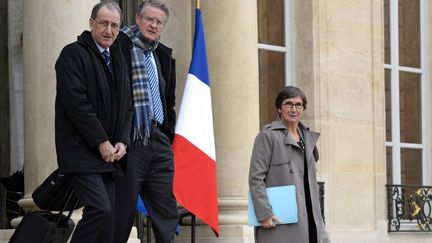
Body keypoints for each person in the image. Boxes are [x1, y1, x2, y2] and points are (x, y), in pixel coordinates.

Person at [54, 2, 132, 243]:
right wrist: (101, 141)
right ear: (91, 24)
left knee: (107, 227)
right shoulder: (72, 54)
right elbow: (77, 105)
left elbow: (127, 105)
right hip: (80, 152)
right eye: (103, 23)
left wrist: (122, 140)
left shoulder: (118, 57)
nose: (109, 30)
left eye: (114, 26)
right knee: (100, 209)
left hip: (109, 157)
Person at [114, 1, 178, 243]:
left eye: (158, 22)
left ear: (163, 27)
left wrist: (167, 132)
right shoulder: (119, 47)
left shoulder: (162, 55)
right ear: (138, 19)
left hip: (159, 139)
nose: (153, 25)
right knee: (122, 210)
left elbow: (168, 100)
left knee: (166, 210)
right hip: (131, 139)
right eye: (149, 19)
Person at [248, 86, 331, 243]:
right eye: (288, 104)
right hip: (279, 223)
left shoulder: (308, 138)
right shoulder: (267, 136)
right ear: (279, 108)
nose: (294, 109)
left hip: (312, 222)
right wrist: (264, 214)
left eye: (298, 105)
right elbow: (255, 178)